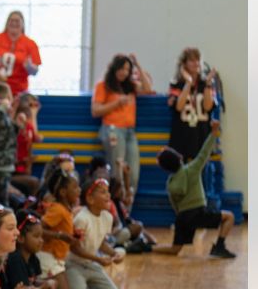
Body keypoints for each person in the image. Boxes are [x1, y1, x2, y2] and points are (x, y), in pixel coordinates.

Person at [155, 119, 236, 258]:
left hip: (182, 218)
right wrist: (214, 133)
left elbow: (175, 205)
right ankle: (220, 247)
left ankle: (150, 249)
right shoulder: (191, 169)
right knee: (229, 217)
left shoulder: (170, 182)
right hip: (198, 213)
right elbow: (204, 153)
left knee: (175, 249)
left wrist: (181, 218)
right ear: (177, 157)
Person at [91, 53, 152, 196]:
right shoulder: (103, 85)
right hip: (113, 130)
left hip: (130, 132)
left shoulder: (130, 86)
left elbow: (148, 89)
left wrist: (137, 65)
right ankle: (113, 208)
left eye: (127, 69)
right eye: (121, 69)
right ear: (114, 68)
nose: (124, 72)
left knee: (132, 173)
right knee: (117, 172)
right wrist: (117, 103)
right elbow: (95, 110)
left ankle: (126, 211)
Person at [2, 212, 66, 289]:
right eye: (36, 237)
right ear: (20, 238)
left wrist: (48, 282)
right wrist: (42, 288)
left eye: (41, 236)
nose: (41, 241)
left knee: (53, 288)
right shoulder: (15, 258)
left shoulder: (33, 257)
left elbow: (34, 280)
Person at [67, 179, 124, 289]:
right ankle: (73, 286)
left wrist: (114, 253)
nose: (108, 195)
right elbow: (74, 249)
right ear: (90, 199)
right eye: (103, 192)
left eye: (108, 192)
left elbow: (101, 243)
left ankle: (80, 287)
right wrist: (98, 260)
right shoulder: (82, 219)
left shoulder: (107, 217)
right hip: (73, 264)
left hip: (91, 264)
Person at [167, 47, 219, 161]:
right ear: (184, 64)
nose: (196, 63)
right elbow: (179, 106)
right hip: (181, 136)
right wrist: (188, 82)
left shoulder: (206, 82)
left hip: (201, 135)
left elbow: (207, 106)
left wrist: (208, 84)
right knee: (182, 175)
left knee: (201, 175)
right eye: (191, 60)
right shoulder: (176, 83)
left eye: (198, 60)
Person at [0, 11, 41, 96]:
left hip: (20, 90)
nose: (14, 23)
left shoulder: (30, 43)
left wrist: (29, 67)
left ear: (23, 24)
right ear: (7, 23)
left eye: (17, 21)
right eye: (11, 20)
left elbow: (35, 71)